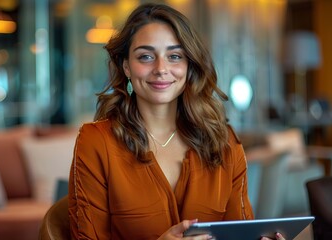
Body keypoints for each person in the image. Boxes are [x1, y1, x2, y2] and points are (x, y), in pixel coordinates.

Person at [68, 3, 285, 240]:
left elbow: (242, 234)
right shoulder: (96, 142)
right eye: (146, 56)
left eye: (174, 56)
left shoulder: (224, 143)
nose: (161, 69)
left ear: (189, 65)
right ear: (126, 66)